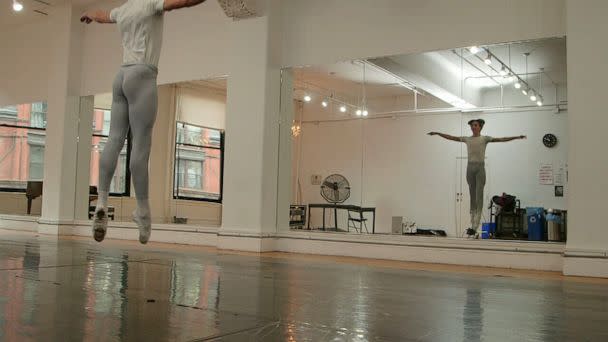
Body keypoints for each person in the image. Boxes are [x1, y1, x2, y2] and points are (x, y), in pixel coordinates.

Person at [81, 0, 208, 244]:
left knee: (114, 139)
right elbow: (181, 2)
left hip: (121, 76)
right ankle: (142, 211)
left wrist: (89, 14)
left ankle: (103, 201)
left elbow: (102, 14)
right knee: (140, 145)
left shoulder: (124, 9)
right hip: (142, 74)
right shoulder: (150, 4)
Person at [428, 119, 526, 238]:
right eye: (471, 126)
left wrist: (516, 137)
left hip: (480, 168)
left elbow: (501, 139)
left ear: (480, 127)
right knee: (472, 195)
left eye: (475, 125)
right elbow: (452, 137)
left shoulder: (485, 139)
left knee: (479, 195)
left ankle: (475, 226)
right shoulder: (467, 139)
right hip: (470, 167)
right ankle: (472, 223)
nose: (473, 127)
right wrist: (438, 133)